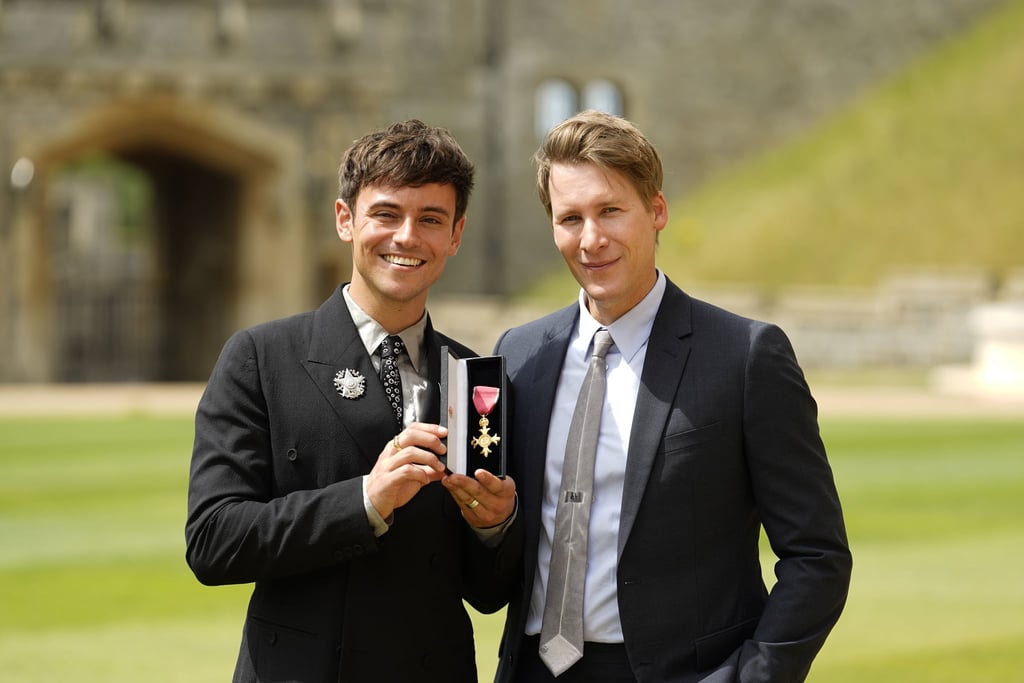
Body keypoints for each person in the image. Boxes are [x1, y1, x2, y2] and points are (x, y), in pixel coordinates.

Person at [492, 110, 852, 683]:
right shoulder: (519, 355)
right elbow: (497, 565)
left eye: (610, 210)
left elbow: (818, 557)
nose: (591, 239)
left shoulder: (745, 356)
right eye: (571, 218)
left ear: (656, 211)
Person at [185, 119, 520, 683]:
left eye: (431, 220)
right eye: (386, 214)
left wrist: (496, 526)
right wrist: (364, 500)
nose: (407, 236)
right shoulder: (261, 357)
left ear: (456, 235)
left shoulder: (478, 378)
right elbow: (214, 540)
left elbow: (489, 594)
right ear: (346, 220)